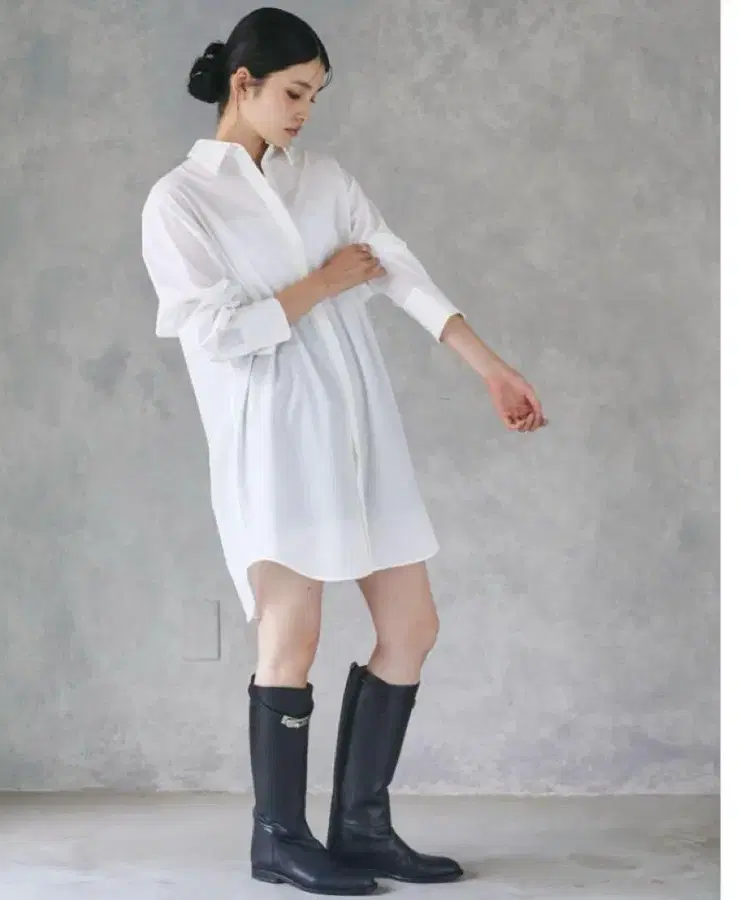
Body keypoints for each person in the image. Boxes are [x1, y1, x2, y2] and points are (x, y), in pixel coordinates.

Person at [141, 7, 547, 895]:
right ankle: (278, 840)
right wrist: (322, 283)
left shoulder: (323, 179)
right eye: (293, 92)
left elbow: (399, 268)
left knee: (413, 626)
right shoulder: (180, 201)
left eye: (315, 97)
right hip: (276, 441)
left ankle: (361, 827)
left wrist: (491, 368)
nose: (304, 113)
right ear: (243, 84)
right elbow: (215, 334)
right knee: (292, 637)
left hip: (362, 431)